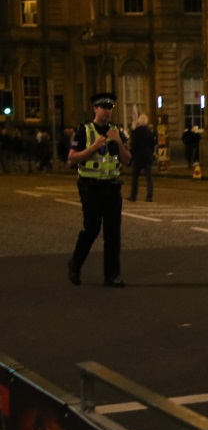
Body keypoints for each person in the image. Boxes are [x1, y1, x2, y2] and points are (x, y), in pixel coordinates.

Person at [67, 92, 132, 287]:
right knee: (92, 229)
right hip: (91, 187)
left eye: (110, 108)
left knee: (113, 233)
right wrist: (94, 147)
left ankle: (112, 275)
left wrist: (118, 142)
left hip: (112, 187)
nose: (107, 111)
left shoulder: (116, 131)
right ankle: (75, 264)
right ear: (95, 109)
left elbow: (128, 160)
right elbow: (71, 160)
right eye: (103, 107)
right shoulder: (84, 130)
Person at [129, 114, 156, 202]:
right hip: (148, 156)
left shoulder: (135, 132)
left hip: (138, 156)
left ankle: (133, 195)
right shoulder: (150, 132)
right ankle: (149, 196)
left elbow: (133, 145)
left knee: (135, 177)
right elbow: (153, 144)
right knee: (149, 177)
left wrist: (131, 154)